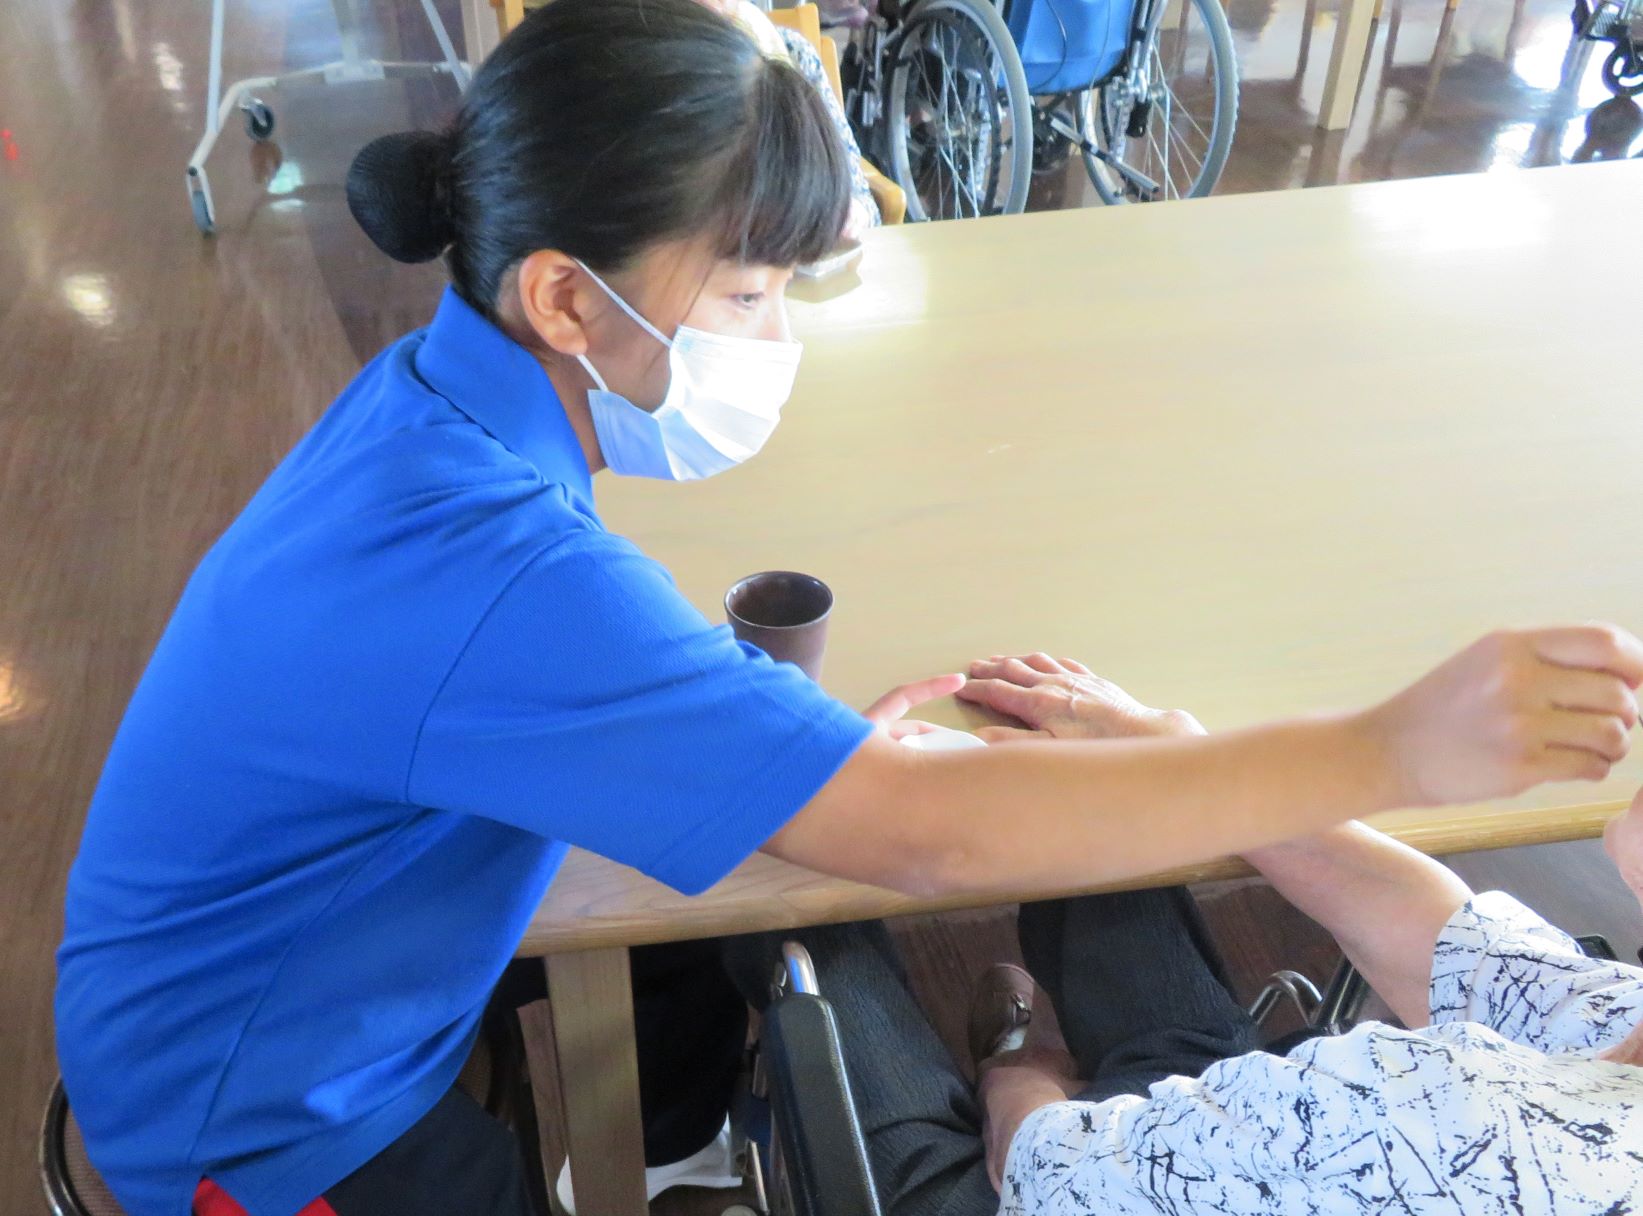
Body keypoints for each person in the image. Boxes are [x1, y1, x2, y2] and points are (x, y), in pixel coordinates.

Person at [53, 0, 1643, 1212]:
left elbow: (538, 673)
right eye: (746, 293)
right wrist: (1385, 748)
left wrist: (778, 746)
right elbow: (930, 843)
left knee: (707, 919)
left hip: (316, 980)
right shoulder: (495, 567)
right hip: (262, 1120)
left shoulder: (442, 405)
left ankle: (671, 1138)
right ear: (563, 295)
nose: (768, 337)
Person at [724, 655, 1643, 1216]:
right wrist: (1176, 759)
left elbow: (1041, 1168)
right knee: (1108, 822)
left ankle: (985, 1052)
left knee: (797, 892)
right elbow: (1446, 944)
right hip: (1250, 1166)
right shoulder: (1618, 1037)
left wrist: (1022, 1074)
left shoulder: (1461, 1121)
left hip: (1061, 1183)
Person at [697, 0, 881, 239]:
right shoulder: (659, 70)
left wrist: (854, 213)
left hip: (795, 246)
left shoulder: (792, 53)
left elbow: (861, 196)